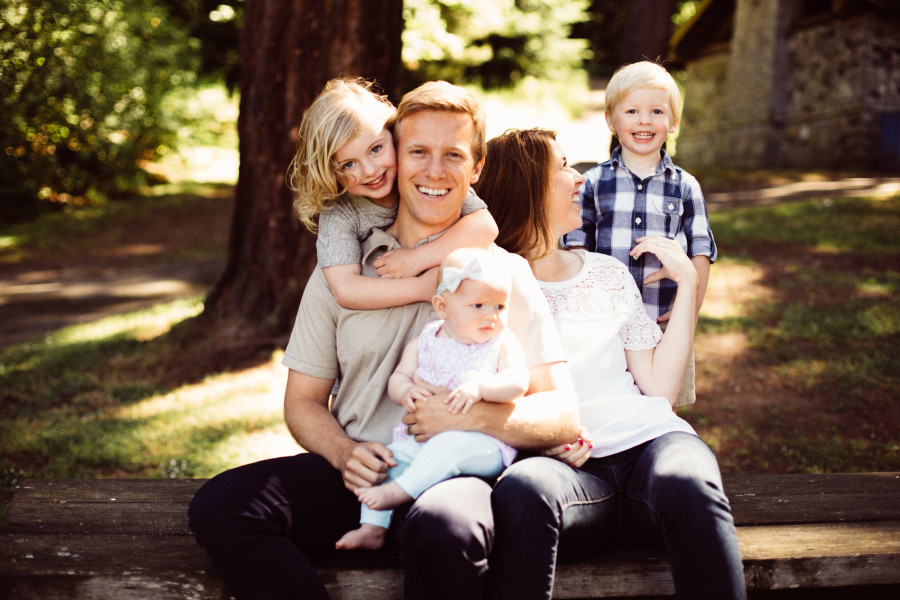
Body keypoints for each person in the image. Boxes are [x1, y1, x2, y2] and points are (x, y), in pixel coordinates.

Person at [188, 84, 579, 600]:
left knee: (449, 529)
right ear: (398, 151)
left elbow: (562, 413)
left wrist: (468, 417)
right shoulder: (344, 273)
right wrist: (344, 451)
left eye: (453, 156)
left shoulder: (503, 274)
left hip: (450, 474)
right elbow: (302, 402)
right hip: (362, 472)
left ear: (476, 167)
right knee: (222, 506)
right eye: (418, 152)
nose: (434, 172)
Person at [475, 129, 746, 600]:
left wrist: (687, 285)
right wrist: (535, 442)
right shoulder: (488, 287)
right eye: (561, 167)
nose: (578, 178)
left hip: (649, 449)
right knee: (522, 489)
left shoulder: (606, 272)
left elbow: (659, 389)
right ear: (527, 184)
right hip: (571, 473)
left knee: (690, 481)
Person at [336, 247, 530, 551]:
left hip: (483, 444)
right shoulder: (424, 340)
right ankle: (372, 527)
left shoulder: (502, 343)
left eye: (500, 307)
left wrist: (483, 387)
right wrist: (407, 391)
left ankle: (399, 493)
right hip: (422, 442)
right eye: (478, 305)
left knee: (447, 446)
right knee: (390, 459)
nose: (491, 316)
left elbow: (518, 381)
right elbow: (398, 379)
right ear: (442, 307)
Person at [564, 61, 717, 406]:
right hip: (605, 326)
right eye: (632, 110)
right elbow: (575, 249)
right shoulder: (593, 183)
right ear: (611, 120)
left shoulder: (686, 187)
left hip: (662, 324)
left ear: (673, 122)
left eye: (657, 111)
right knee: (605, 403)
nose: (644, 120)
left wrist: (687, 313)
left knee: (660, 410)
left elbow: (701, 254)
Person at [287, 77, 498, 310]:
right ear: (331, 173)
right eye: (348, 164)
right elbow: (345, 289)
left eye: (376, 149)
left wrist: (417, 259)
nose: (370, 171)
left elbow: (485, 226)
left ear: (394, 137)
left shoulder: (416, 176)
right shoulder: (340, 213)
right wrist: (421, 288)